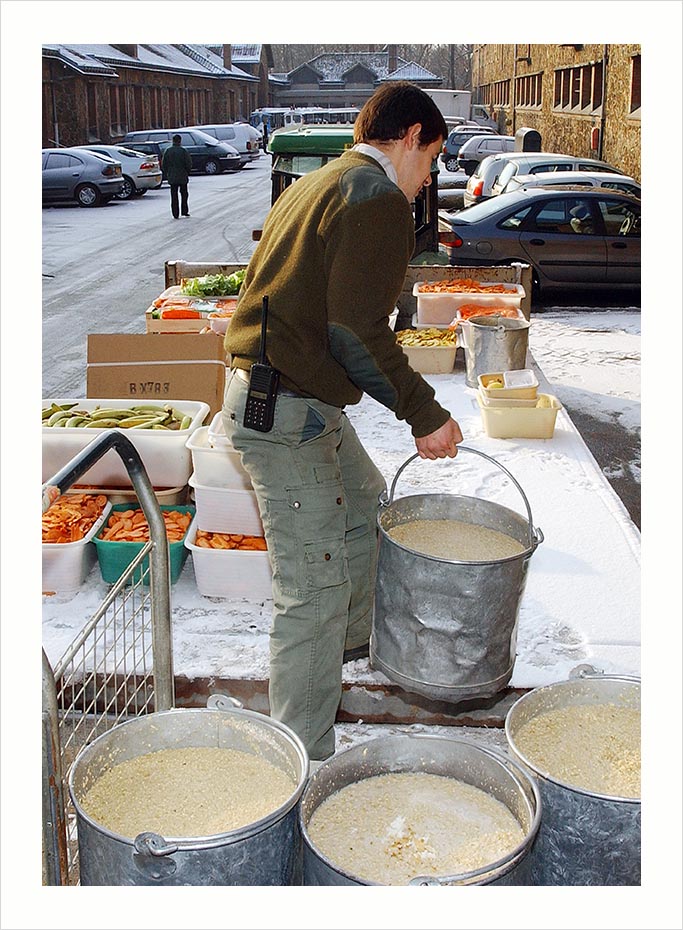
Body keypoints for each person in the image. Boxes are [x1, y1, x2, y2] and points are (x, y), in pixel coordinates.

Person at [222, 82, 463, 762]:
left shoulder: (324, 179)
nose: (425, 181)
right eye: (430, 160)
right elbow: (355, 330)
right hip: (284, 411)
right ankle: (299, 763)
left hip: (298, 397)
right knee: (312, 592)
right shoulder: (375, 197)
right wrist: (424, 414)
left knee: (364, 506)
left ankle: (349, 643)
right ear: (412, 135)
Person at [161, 134, 192, 219]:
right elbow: (188, 163)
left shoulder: (168, 151)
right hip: (182, 176)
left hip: (172, 176)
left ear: (173, 141)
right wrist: (187, 172)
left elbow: (164, 164)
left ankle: (175, 213)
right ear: (180, 141)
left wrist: (168, 172)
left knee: (174, 195)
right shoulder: (183, 151)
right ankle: (184, 211)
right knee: (184, 194)